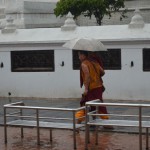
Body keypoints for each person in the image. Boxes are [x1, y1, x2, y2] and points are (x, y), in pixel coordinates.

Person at [75, 51, 113, 129]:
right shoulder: (94, 62)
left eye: (79, 55)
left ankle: (77, 125)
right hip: (98, 86)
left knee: (84, 104)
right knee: (98, 104)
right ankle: (100, 123)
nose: (79, 57)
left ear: (83, 55)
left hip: (91, 88)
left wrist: (86, 89)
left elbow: (87, 77)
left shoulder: (84, 64)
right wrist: (96, 76)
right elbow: (103, 72)